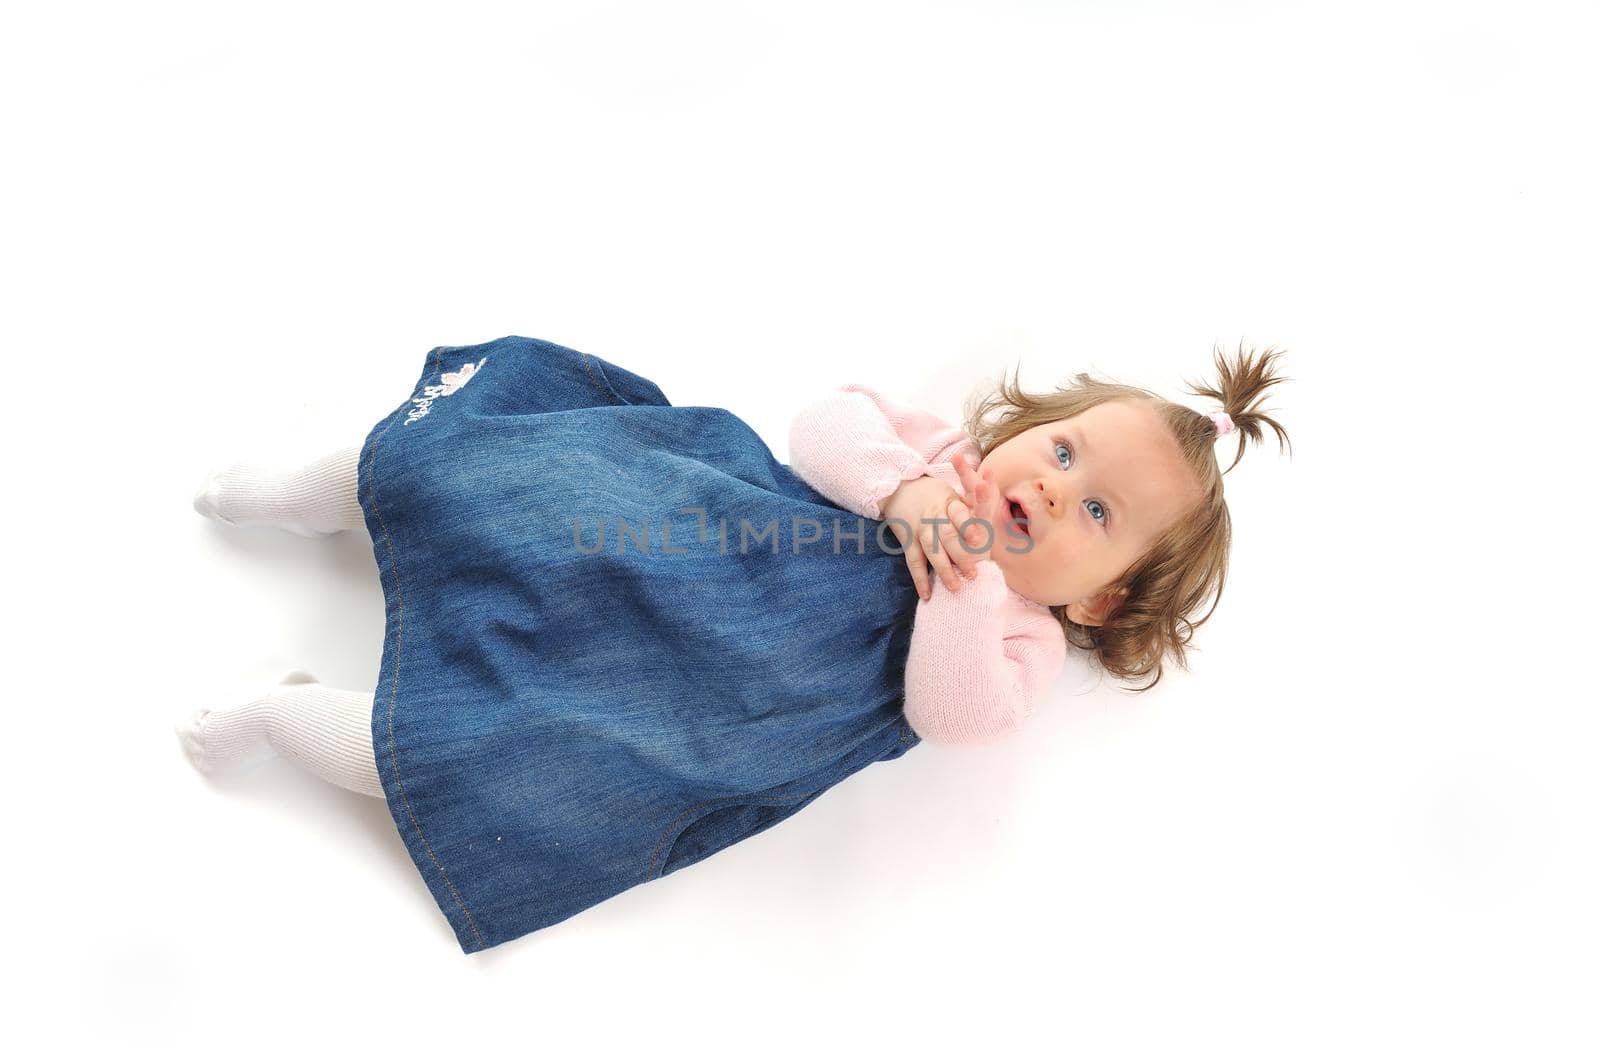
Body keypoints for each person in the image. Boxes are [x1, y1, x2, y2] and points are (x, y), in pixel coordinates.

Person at [179, 335, 1291, 953]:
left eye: (1096, 515)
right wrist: (902, 489)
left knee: (490, 769)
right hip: (695, 526)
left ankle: (281, 713)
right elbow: (822, 420)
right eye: (1060, 454)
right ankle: (310, 493)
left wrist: (960, 582)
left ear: (1099, 603)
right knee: (503, 476)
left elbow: (956, 714)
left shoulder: (1020, 639)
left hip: (703, 702)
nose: (1053, 492)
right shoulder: (935, 456)